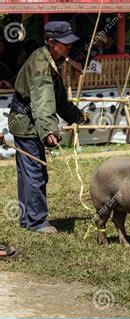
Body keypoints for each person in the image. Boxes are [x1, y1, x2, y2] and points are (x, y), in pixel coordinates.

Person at [8, 21, 84, 234]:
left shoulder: (50, 59)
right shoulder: (41, 65)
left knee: (29, 172)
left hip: (28, 121)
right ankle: (37, 221)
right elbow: (43, 103)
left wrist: (75, 115)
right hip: (28, 121)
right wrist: (50, 130)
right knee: (35, 173)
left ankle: (28, 220)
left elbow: (56, 98)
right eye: (64, 43)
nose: (69, 46)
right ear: (51, 42)